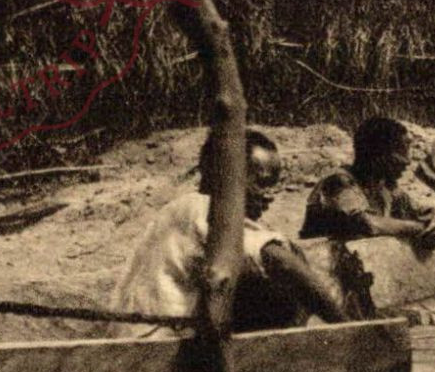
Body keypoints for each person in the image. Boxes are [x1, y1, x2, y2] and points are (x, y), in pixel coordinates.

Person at [111, 128, 348, 338]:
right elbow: (279, 260)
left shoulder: (180, 209)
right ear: (224, 175)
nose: (270, 196)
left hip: (139, 335)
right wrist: (346, 327)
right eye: (261, 183)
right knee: (280, 289)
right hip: (157, 342)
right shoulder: (202, 208)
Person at [300, 116, 435, 249]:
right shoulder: (337, 182)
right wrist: (418, 228)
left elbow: (424, 212)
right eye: (401, 153)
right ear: (378, 155)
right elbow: (366, 223)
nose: (407, 161)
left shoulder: (384, 186)